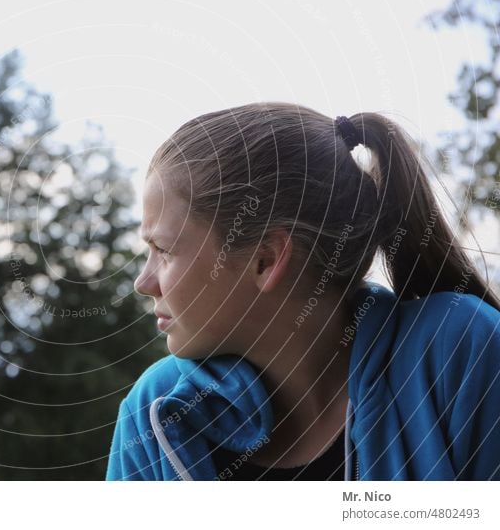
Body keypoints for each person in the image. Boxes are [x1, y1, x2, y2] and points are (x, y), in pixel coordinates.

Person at [104, 102, 500, 481]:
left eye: (164, 250)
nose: (143, 282)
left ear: (266, 259)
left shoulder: (460, 348)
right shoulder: (155, 411)